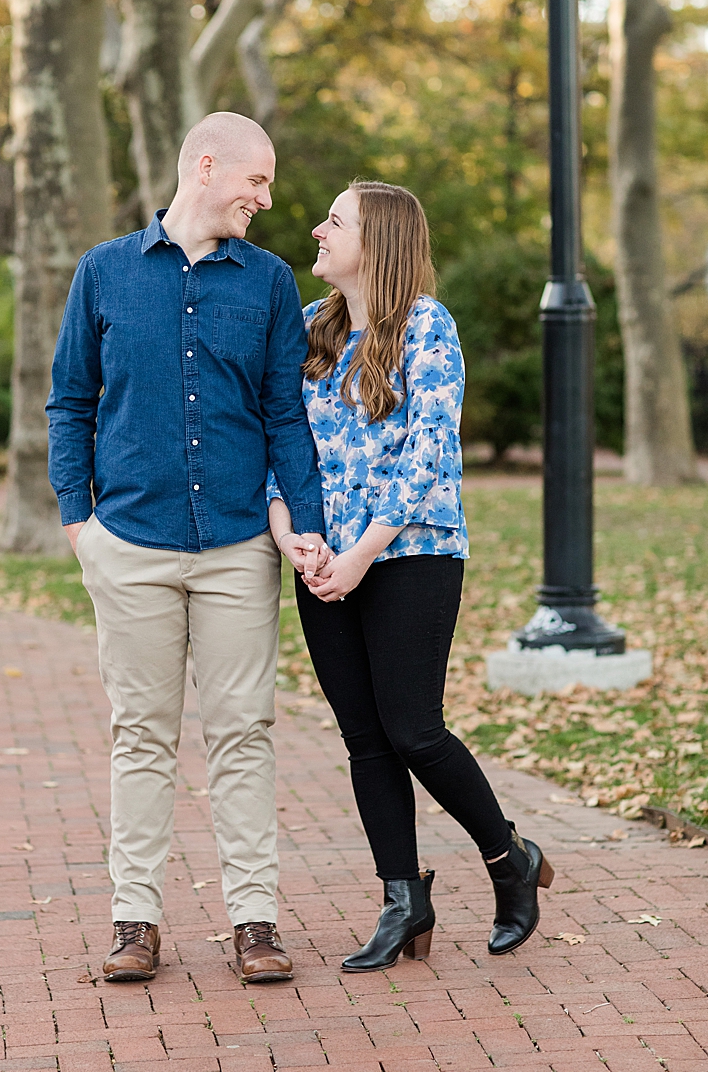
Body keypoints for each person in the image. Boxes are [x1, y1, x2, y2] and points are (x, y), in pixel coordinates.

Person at [48, 111, 329, 985]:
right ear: (208, 167)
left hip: (240, 546)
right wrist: (77, 524)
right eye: (258, 181)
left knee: (244, 732)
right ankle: (135, 921)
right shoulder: (103, 274)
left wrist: (306, 522)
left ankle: (254, 921)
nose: (267, 198)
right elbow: (70, 403)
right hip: (127, 543)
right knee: (142, 736)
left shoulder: (271, 282)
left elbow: (287, 412)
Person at [269, 180, 552, 972]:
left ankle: (510, 861)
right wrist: (296, 538)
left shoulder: (427, 327)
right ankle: (404, 901)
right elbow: (283, 446)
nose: (318, 231)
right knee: (363, 738)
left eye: (335, 221)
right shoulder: (307, 331)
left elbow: (429, 455)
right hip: (325, 563)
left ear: (378, 241)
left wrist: (361, 554)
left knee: (413, 729)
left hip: (411, 555)